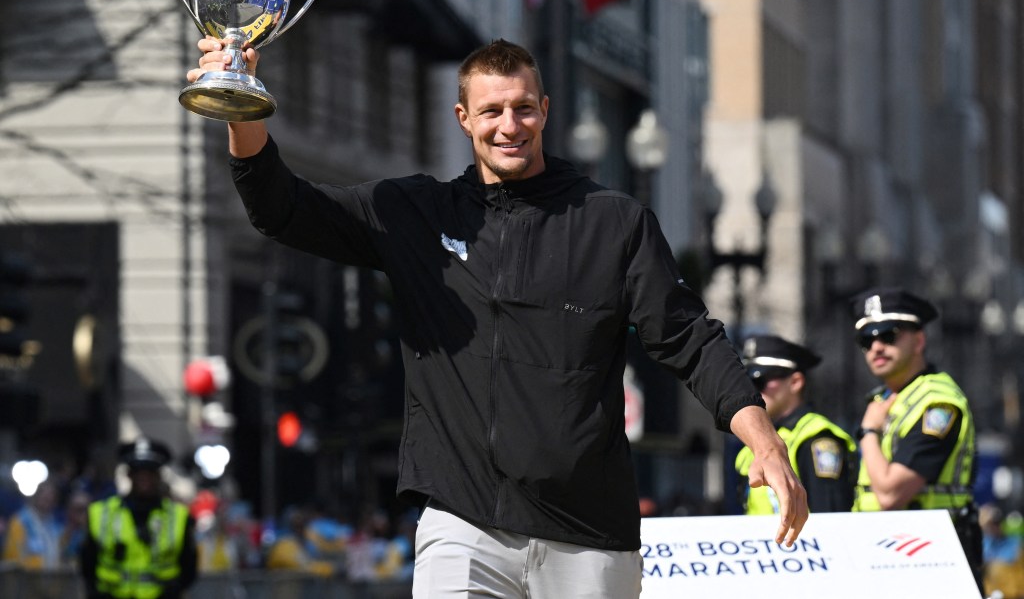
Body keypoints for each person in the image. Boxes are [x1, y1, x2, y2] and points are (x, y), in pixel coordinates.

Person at [188, 36, 808, 598]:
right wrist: (239, 103)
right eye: (491, 111)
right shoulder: (417, 213)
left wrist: (765, 440)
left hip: (588, 532)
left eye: (523, 109)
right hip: (465, 524)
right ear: (464, 119)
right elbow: (281, 208)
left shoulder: (613, 222)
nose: (509, 126)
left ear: (545, 110)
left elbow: (689, 338)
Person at [851, 286, 982, 591]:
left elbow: (891, 494)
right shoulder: (889, 400)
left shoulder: (938, 404)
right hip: (889, 555)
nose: (877, 347)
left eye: (889, 335)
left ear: (920, 340)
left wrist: (868, 432)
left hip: (930, 558)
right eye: (866, 340)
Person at [735, 334, 856, 514]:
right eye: (748, 384)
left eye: (759, 381)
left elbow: (830, 518)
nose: (754, 391)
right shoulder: (757, 440)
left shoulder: (817, 438)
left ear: (795, 382)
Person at [79, 438, 197, 599]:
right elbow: (87, 564)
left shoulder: (178, 516)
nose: (144, 478)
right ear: (129, 474)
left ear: (158, 476)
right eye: (138, 472)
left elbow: (189, 567)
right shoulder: (101, 512)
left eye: (149, 472)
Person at [1, 478, 63, 569]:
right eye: (44, 496)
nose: (47, 500)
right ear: (36, 497)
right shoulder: (21, 521)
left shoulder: (54, 526)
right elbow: (12, 556)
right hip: (27, 579)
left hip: (50, 578)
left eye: (50, 497)